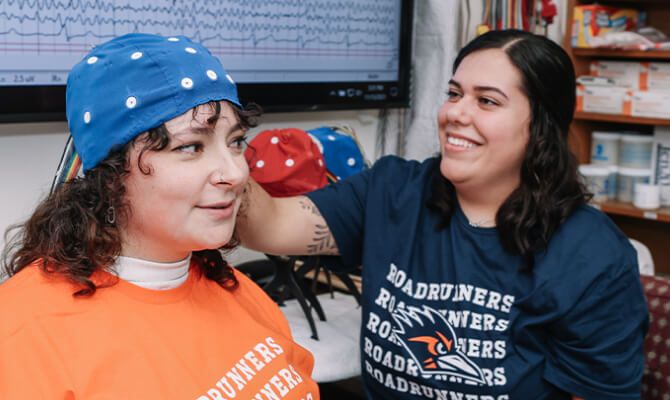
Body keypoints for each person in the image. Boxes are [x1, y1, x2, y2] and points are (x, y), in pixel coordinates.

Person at [237, 30, 648, 399]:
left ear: (541, 127)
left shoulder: (592, 255)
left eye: (486, 101)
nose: (456, 113)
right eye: (454, 93)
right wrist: (219, 147)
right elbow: (270, 224)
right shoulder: (392, 191)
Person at [0, 33, 318, 399]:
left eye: (234, 141)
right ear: (111, 174)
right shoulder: (24, 337)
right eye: (190, 147)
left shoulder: (235, 289)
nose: (234, 172)